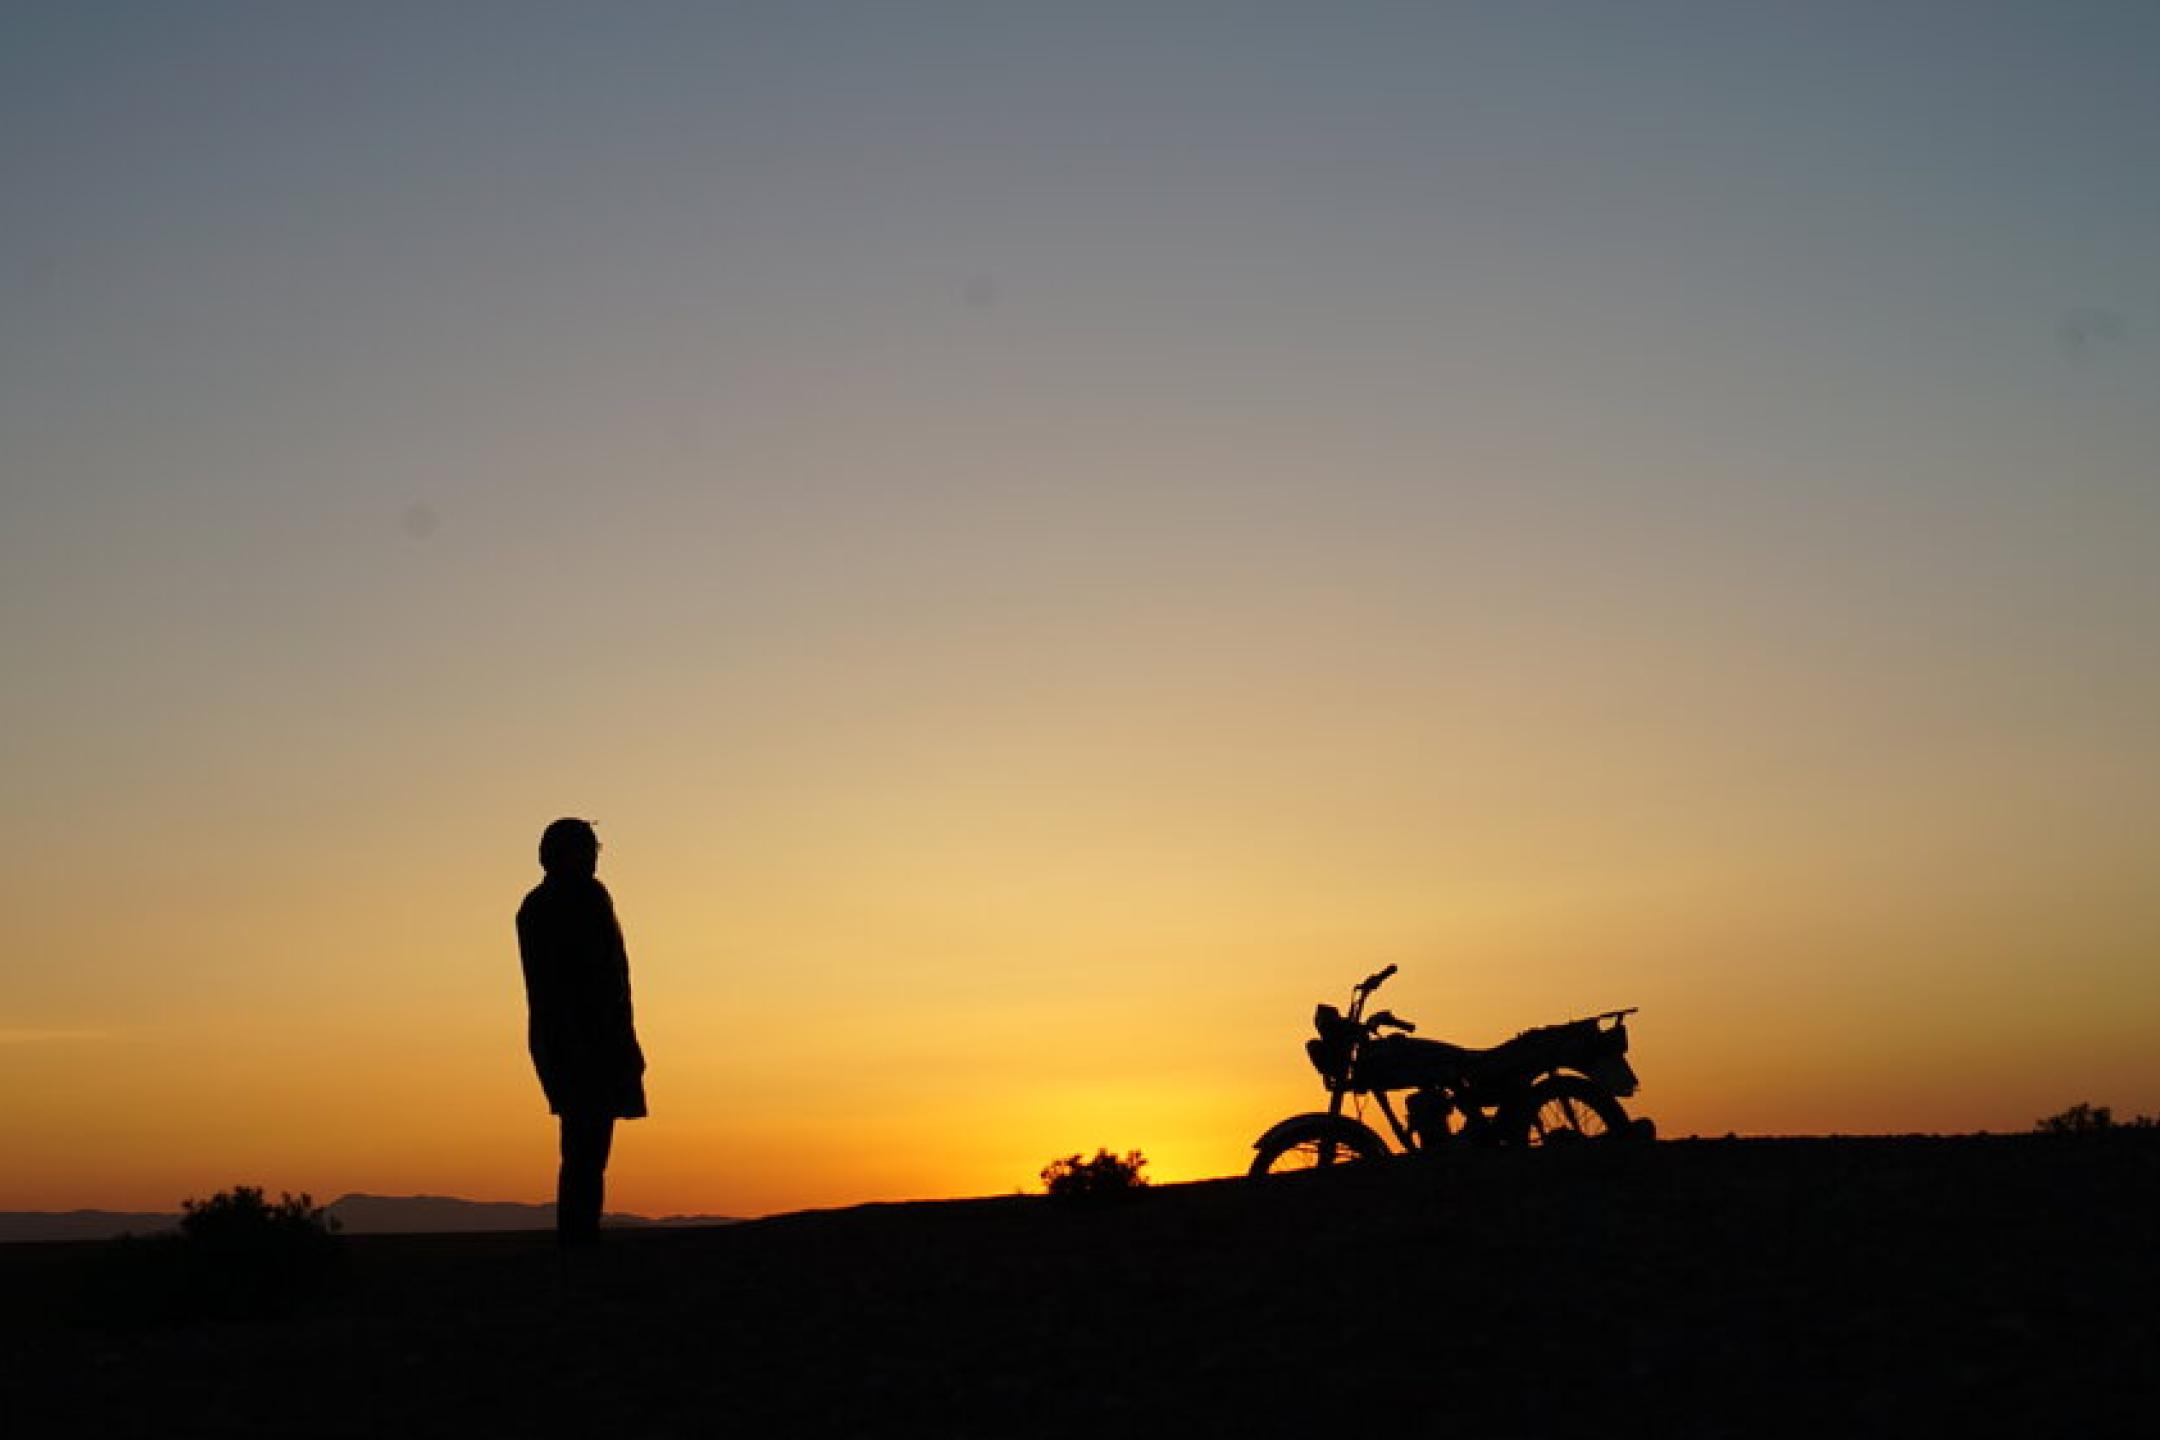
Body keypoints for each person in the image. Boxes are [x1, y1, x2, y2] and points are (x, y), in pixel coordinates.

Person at [516, 817, 647, 1247]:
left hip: (569, 1041)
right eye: (587, 848)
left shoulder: (537, 906)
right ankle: (579, 1240)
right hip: (584, 1041)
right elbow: (593, 980)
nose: (593, 857)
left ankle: (578, 1236)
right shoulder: (578, 900)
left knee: (583, 1147)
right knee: (586, 1149)